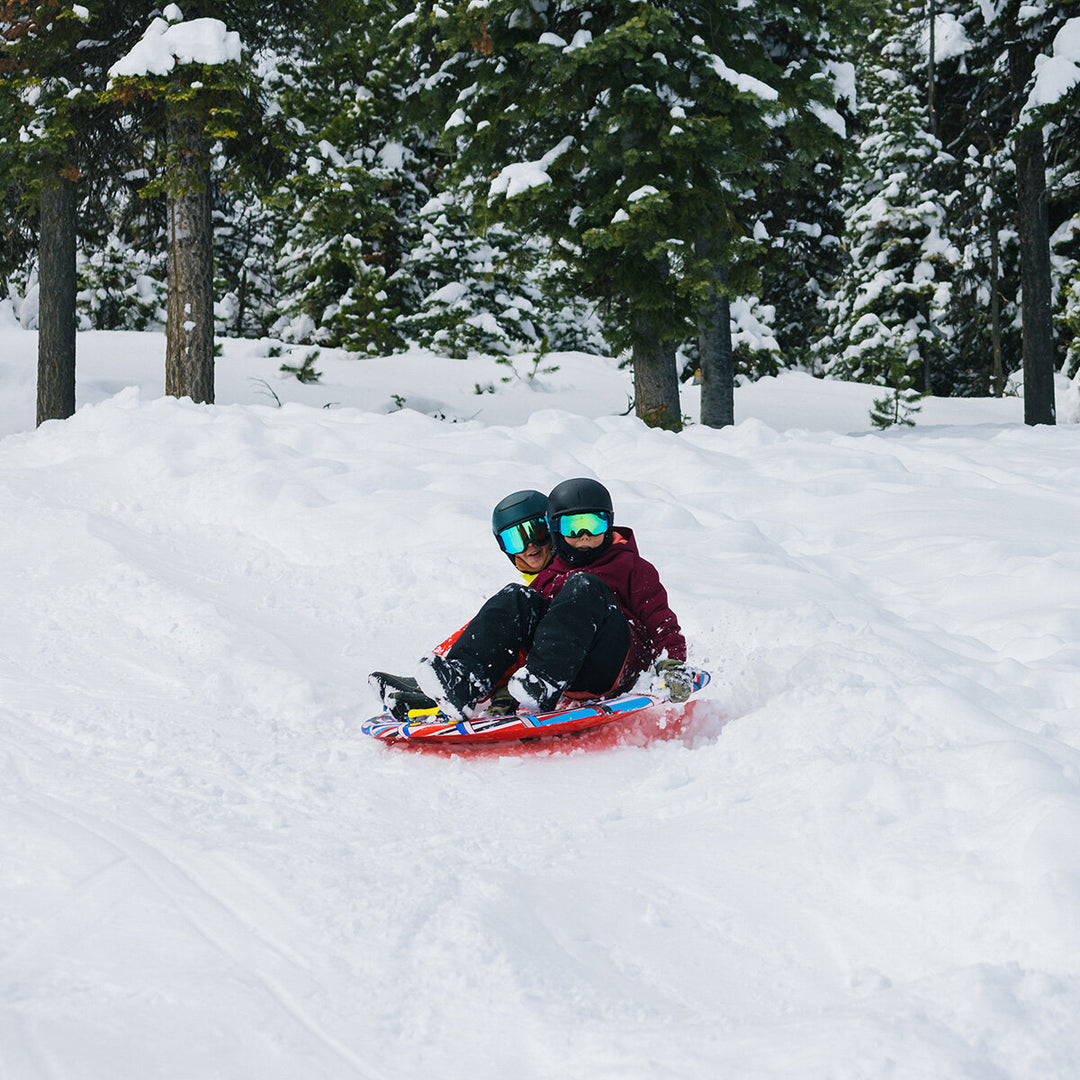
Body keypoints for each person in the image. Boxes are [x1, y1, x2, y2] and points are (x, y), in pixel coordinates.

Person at [414, 477, 691, 721]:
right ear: (557, 528)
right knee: (517, 596)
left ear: (609, 523)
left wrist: (671, 664)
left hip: (616, 665)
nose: (584, 536)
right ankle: (464, 683)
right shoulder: (548, 578)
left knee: (585, 585)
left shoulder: (630, 566)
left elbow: (660, 619)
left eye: (593, 524)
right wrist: (505, 690)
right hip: (570, 673)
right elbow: (521, 639)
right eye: (573, 527)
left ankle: (542, 681)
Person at [368, 489, 553, 718]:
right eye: (515, 540)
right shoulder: (535, 587)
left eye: (537, 531)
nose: (529, 545)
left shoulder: (566, 579)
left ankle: (449, 684)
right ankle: (438, 680)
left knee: (512, 604)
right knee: (493, 620)